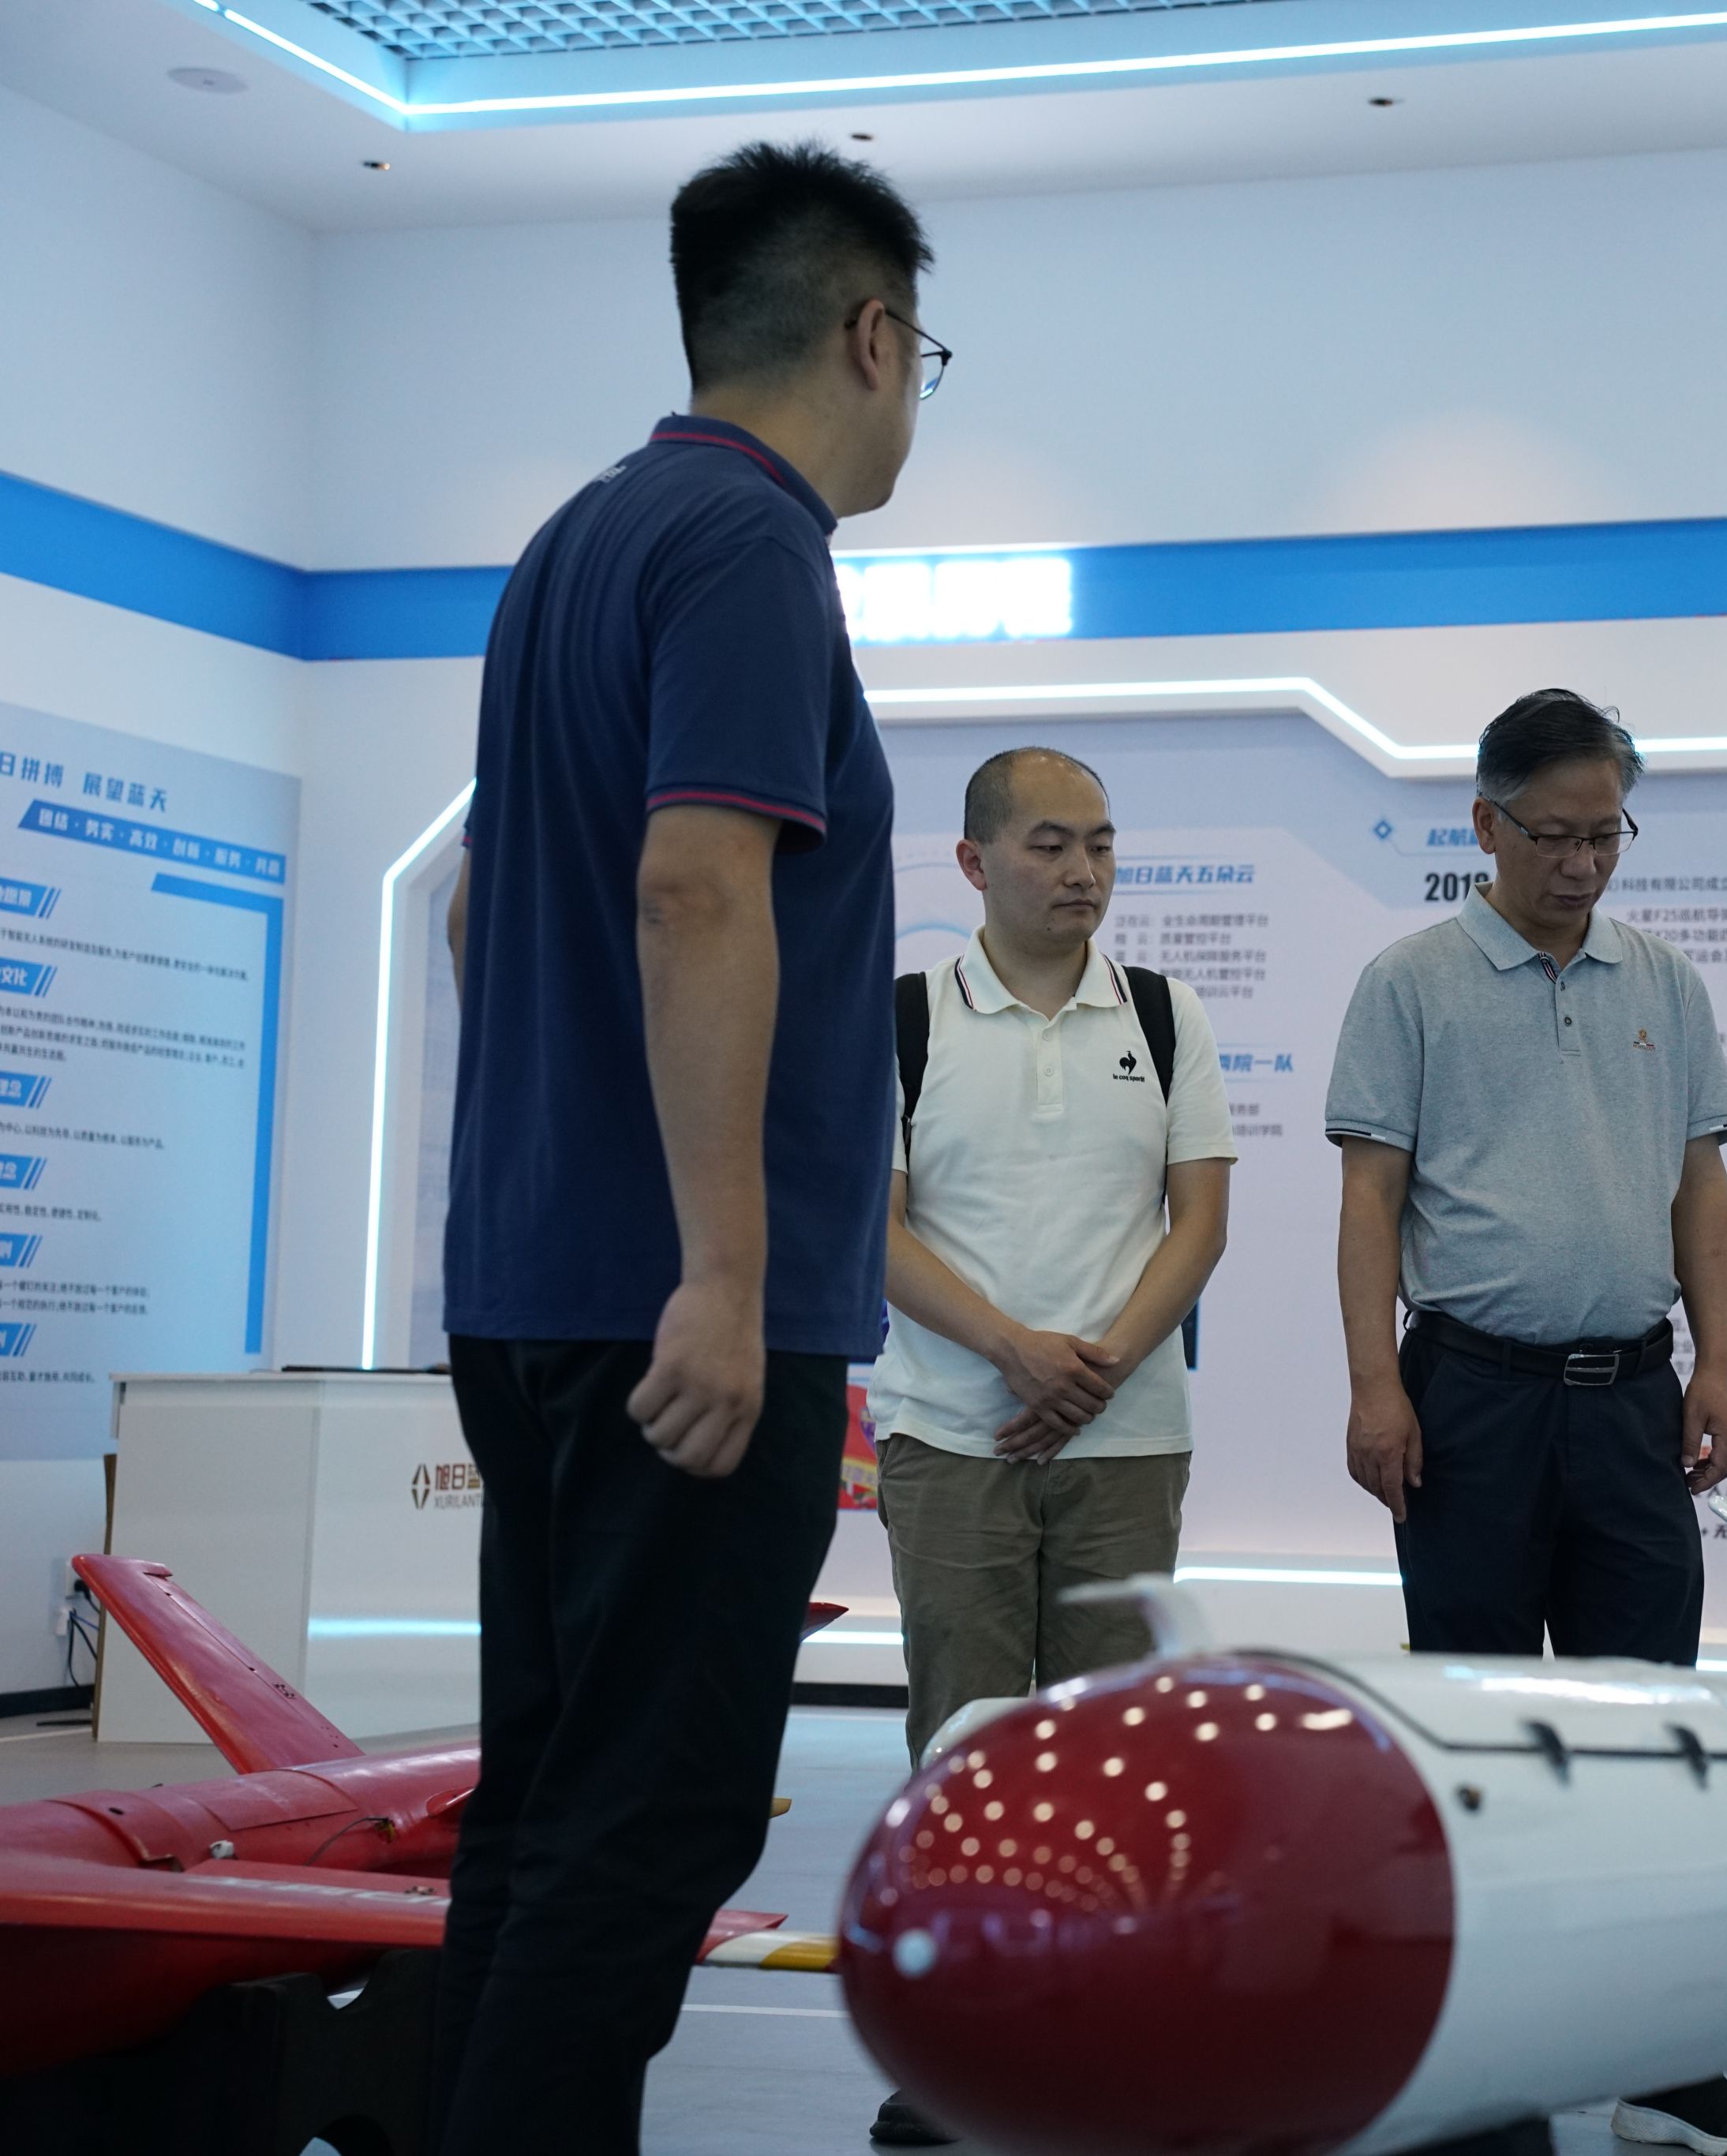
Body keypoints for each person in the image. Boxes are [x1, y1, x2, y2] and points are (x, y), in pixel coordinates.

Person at [435, 142, 936, 2152]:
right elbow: (697, 887)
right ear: (872, 335)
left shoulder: (576, 539)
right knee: (653, 1819)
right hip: (681, 1318)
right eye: (925, 357)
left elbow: (477, 913)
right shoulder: (748, 542)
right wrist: (722, 1270)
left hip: (534, 1289)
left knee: (550, 1805)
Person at [1325, 689, 1727, 2156]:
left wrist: (1718, 1363)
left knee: (1653, 1736)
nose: (1584, 863)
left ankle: (1663, 2062)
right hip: (1469, 1399)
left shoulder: (1666, 979)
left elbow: (1701, 1184)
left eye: (1608, 836)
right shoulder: (1410, 981)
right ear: (1485, 824)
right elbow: (1370, 1201)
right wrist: (1376, 1385)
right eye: (1555, 835)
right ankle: (1490, 2075)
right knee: (1479, 1741)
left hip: (1632, 1401)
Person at [862, 748, 1236, 2146]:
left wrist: (1101, 1366)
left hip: (1125, 1446)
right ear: (973, 863)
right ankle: (956, 2047)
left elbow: (1199, 1222)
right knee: (959, 1746)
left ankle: (1105, 2034)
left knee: (1115, 1758)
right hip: (951, 1436)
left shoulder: (1164, 1012)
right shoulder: (903, 1018)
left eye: (1101, 844)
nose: (1083, 872)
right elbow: (871, 1228)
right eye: (1049, 844)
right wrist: (1016, 1350)